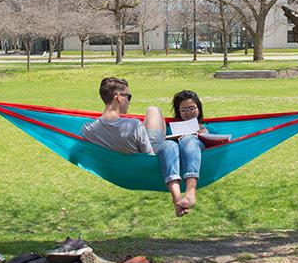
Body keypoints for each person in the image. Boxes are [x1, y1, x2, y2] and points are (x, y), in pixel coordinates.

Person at [80, 77, 196, 216]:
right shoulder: (133, 124)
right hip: (147, 160)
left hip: (120, 169)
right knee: (154, 111)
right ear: (118, 98)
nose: (130, 101)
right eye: (129, 96)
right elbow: (149, 155)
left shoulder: (88, 129)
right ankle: (178, 196)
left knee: (152, 115)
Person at [157, 90, 207, 217]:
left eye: (192, 108)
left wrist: (203, 133)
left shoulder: (207, 126)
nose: (189, 113)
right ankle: (177, 199)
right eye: (184, 110)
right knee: (168, 145)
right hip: (171, 156)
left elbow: (218, 140)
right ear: (178, 111)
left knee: (188, 139)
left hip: (196, 152)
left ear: (199, 108)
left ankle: (190, 193)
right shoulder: (170, 127)